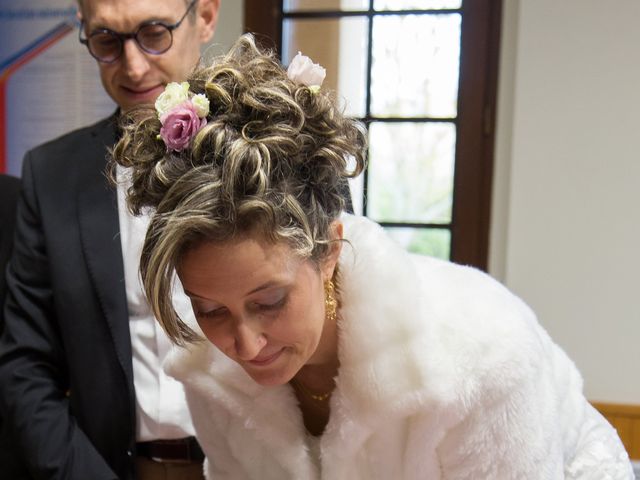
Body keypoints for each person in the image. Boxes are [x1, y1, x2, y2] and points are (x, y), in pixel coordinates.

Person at [111, 34, 634, 479]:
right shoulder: (209, 367)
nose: (243, 345)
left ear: (330, 251)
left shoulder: (483, 355)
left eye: (269, 301)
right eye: (211, 310)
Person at [0, 1, 220, 479]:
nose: (134, 66)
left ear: (204, 17)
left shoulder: (279, 150)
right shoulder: (52, 175)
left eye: (155, 33)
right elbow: (24, 365)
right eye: (107, 41)